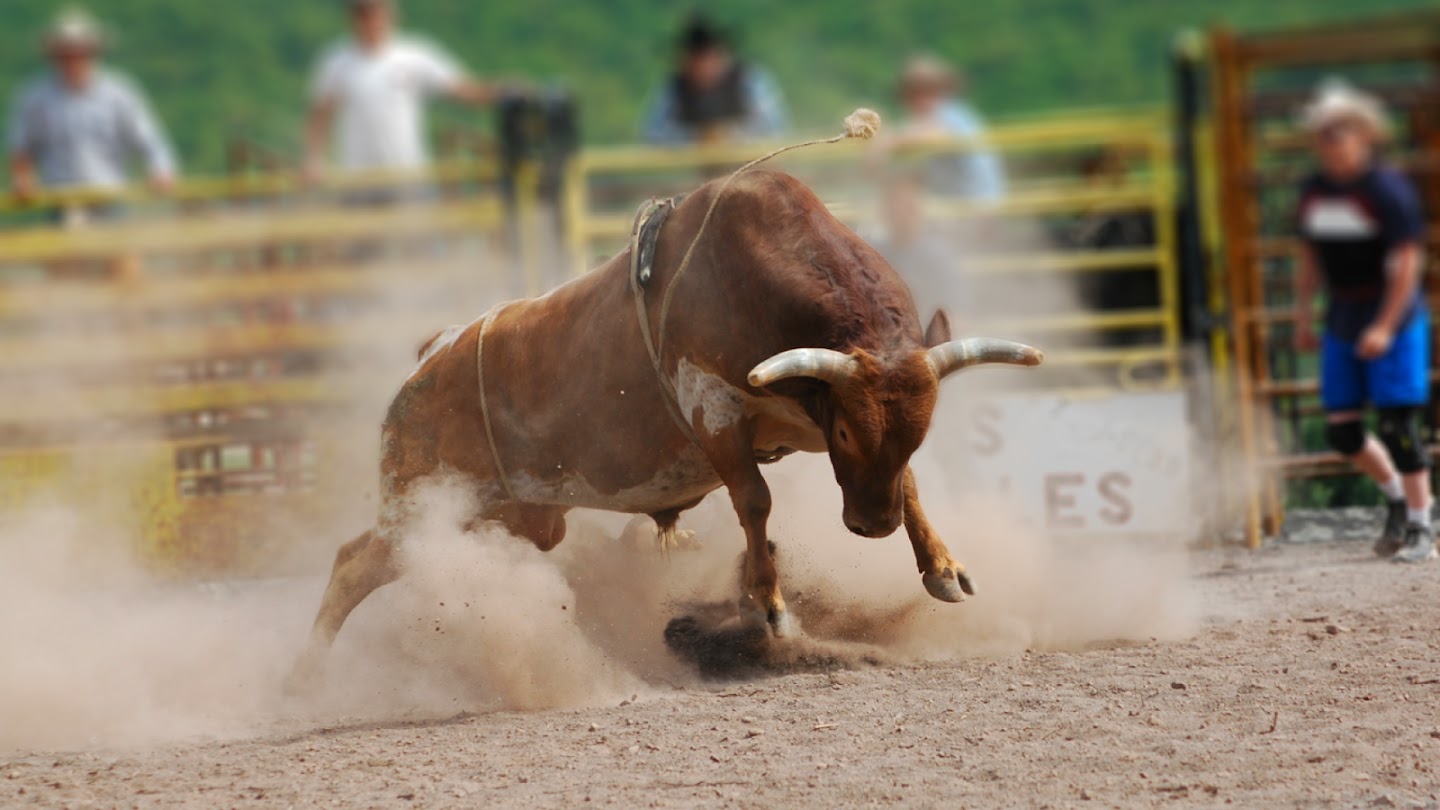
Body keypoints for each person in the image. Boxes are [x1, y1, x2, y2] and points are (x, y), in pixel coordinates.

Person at [1293, 79, 1434, 563]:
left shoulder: (1385, 190)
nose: (1332, 140)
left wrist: (1386, 325)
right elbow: (1309, 257)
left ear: (1364, 135)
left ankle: (1421, 522)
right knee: (1343, 431)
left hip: (1390, 311)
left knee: (1397, 424)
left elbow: (1407, 262)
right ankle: (1396, 498)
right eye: (1324, 132)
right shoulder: (1313, 191)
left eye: (1341, 130)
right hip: (1344, 311)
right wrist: (1304, 315)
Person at [305, 0, 501, 182]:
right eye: (362, 14)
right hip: (358, 177)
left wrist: (501, 91)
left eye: (375, 13)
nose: (370, 21)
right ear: (352, 18)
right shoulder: (336, 61)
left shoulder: (414, 56)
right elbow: (320, 113)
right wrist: (314, 159)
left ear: (390, 15)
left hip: (407, 174)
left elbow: (463, 89)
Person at [6, 8, 177, 207]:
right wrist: (22, 179)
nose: (74, 58)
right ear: (56, 55)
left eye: (80, 51)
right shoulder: (35, 97)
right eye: (67, 53)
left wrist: (161, 170)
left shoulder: (119, 93)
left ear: (93, 52)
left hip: (112, 198)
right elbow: (20, 148)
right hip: (60, 202)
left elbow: (151, 140)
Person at [641, 14, 787, 146]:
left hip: (750, 167)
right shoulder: (674, 88)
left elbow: (775, 129)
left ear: (723, 56)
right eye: (697, 59)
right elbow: (654, 135)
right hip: (696, 169)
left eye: (710, 57)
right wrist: (697, 137)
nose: (704, 66)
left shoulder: (749, 81)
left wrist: (731, 135)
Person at [888, 54, 1005, 203]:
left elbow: (931, 135)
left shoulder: (950, 115)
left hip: (974, 208)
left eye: (927, 90)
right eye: (914, 92)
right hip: (964, 206)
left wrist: (889, 142)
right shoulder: (951, 114)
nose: (919, 98)